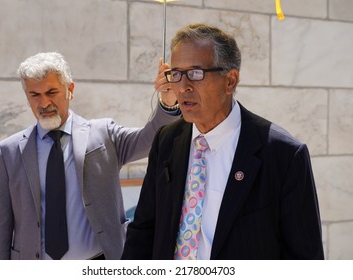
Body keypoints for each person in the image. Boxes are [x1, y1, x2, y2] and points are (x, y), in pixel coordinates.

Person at [122, 23, 324, 260]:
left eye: (196, 74)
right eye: (176, 74)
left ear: (230, 81)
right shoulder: (167, 140)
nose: (183, 86)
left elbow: (305, 257)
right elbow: (144, 231)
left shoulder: (283, 154)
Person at [0, 52, 179, 260]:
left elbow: (149, 139)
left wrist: (167, 103)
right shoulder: (9, 151)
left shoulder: (104, 134)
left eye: (51, 92)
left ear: (70, 90)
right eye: (35, 95)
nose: (44, 103)